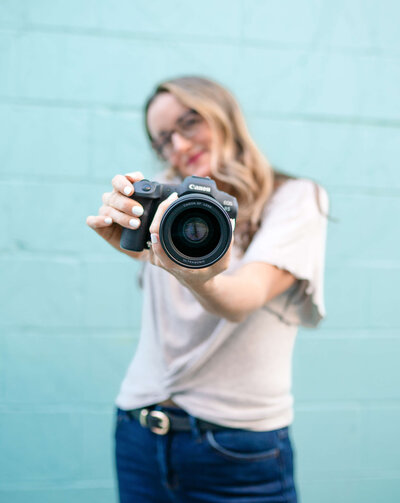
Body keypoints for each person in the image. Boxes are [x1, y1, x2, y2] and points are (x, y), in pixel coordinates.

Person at [86, 76, 329, 503]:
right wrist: (135, 235)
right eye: (164, 140)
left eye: (189, 122)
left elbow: (241, 300)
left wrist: (200, 276)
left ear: (225, 116)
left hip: (237, 448)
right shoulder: (161, 201)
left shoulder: (293, 199)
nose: (179, 145)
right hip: (139, 431)